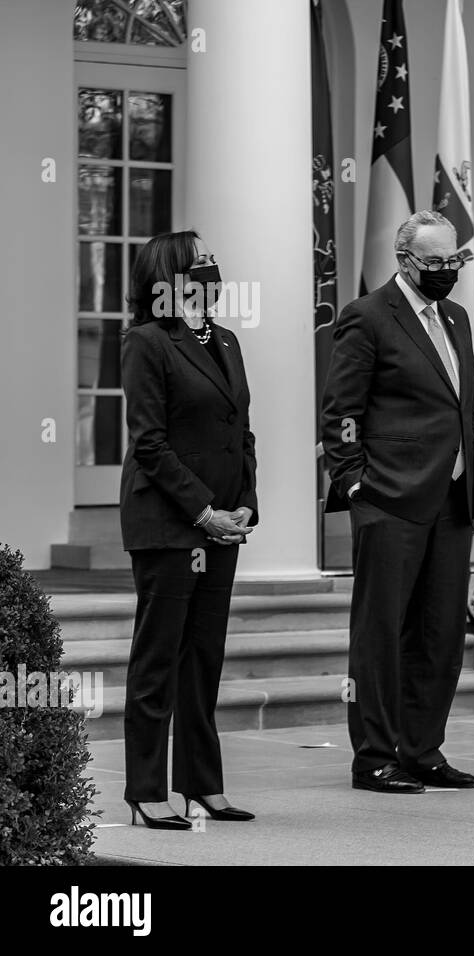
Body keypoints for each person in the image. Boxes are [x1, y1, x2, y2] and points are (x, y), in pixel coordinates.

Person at [320, 210, 474, 794]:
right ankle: (374, 757)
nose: (447, 271)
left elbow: (460, 406)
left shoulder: (458, 318)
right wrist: (355, 483)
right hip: (388, 499)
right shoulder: (366, 317)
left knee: (440, 635)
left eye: (454, 261)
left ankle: (423, 749)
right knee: (381, 633)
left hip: (452, 500)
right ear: (404, 260)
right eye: (435, 262)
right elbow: (340, 411)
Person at [119, 230, 258, 829]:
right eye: (199, 260)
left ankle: (202, 784)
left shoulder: (225, 339)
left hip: (221, 523)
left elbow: (240, 433)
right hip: (170, 524)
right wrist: (204, 511)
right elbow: (149, 443)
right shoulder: (146, 341)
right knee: (159, 661)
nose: (211, 267)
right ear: (170, 276)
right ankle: (146, 790)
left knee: (203, 659)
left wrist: (245, 505)